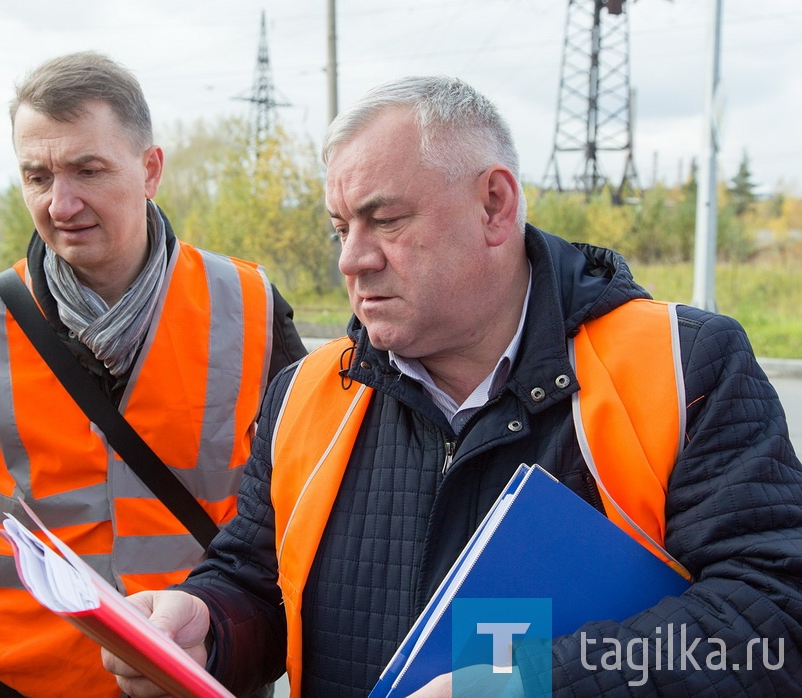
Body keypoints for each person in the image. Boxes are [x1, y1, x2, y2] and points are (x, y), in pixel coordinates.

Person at [103, 76, 802, 697]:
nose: (352, 259)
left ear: (495, 205)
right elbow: (256, 583)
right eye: (341, 227)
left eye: (385, 219)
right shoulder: (306, 395)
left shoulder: (684, 366)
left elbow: (771, 617)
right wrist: (206, 624)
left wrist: (532, 683)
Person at [0, 51, 306, 698]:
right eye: (37, 176)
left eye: (88, 170)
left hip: (195, 670)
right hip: (21, 677)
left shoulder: (246, 303)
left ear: (150, 170)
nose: (61, 203)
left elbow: (314, 478)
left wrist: (259, 635)